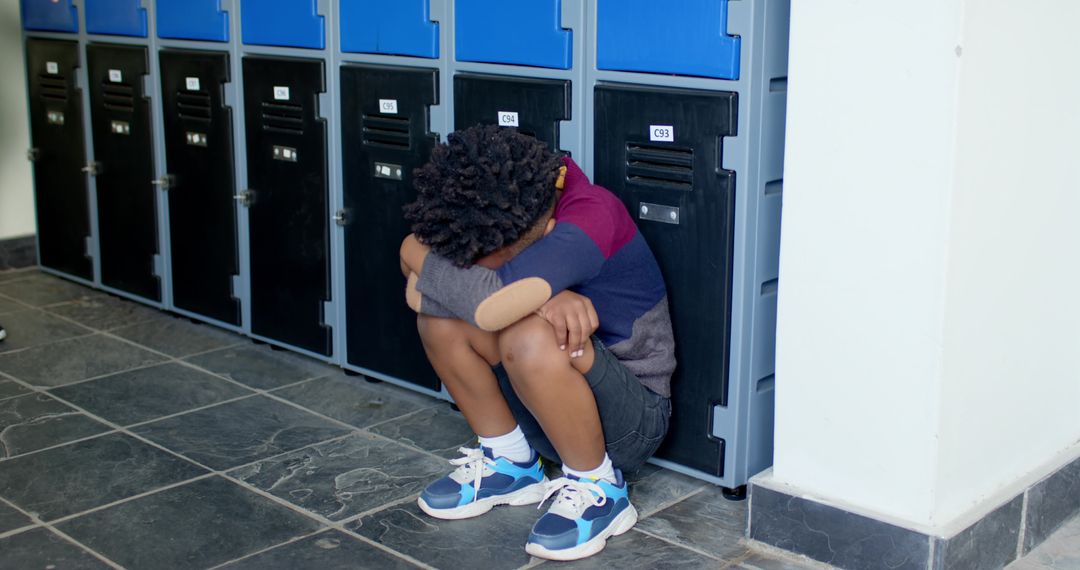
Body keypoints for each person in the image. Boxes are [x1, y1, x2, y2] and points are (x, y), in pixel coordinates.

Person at [399, 124, 675, 561]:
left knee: (523, 332)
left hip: (629, 423)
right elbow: (418, 292)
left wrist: (418, 256)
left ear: (543, 231)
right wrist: (545, 300)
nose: (467, 263)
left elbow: (480, 302)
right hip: (541, 411)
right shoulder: (510, 208)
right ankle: (512, 464)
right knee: (439, 321)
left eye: (480, 260)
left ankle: (600, 488)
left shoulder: (590, 215)